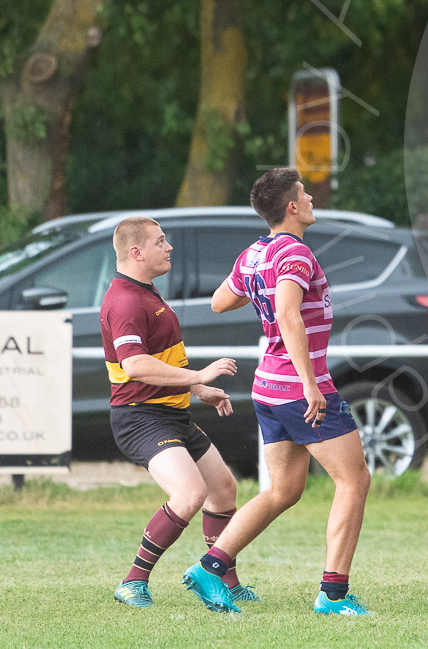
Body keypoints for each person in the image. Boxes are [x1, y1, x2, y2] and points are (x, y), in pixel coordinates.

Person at [185, 168, 373, 616]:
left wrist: (259, 289)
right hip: (297, 387)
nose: (310, 199)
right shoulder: (296, 253)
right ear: (291, 206)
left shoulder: (254, 254)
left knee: (283, 490)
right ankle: (333, 594)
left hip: (267, 387)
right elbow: (288, 315)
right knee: (354, 480)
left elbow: (219, 301)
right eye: (304, 194)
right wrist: (311, 385)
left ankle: (210, 567)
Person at [101, 217, 246, 609]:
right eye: (160, 241)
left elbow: (160, 360)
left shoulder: (145, 292)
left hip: (171, 414)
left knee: (223, 489)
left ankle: (226, 581)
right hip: (140, 418)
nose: (169, 248)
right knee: (190, 493)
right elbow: (135, 365)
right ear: (136, 252)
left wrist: (198, 390)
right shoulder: (126, 300)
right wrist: (199, 375)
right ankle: (132, 582)